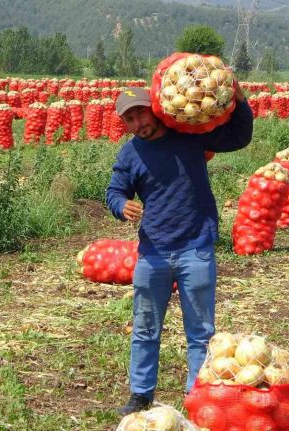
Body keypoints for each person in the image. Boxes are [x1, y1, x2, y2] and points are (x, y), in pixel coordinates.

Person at [106, 82, 253, 415]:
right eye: (130, 119)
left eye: (141, 112)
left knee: (201, 331)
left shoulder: (189, 135)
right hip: (153, 252)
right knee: (144, 328)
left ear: (155, 108)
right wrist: (121, 205)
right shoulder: (130, 153)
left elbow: (238, 137)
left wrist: (240, 100)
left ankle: (196, 393)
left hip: (195, 247)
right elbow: (115, 191)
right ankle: (140, 394)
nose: (138, 123)